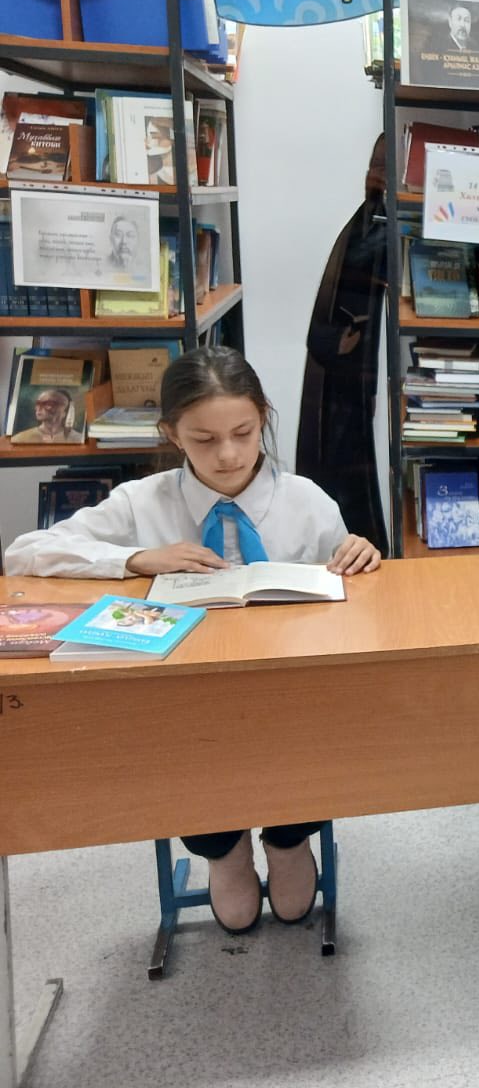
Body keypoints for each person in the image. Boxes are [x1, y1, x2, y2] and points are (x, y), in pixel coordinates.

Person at [4, 346, 381, 936]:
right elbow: (23, 552)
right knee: (178, 738)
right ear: (171, 434)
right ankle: (222, 849)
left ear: (263, 418)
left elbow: (347, 594)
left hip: (286, 691)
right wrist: (134, 558)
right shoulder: (142, 501)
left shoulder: (307, 501)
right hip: (181, 694)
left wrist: (359, 553)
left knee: (312, 727)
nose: (228, 455)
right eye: (204, 440)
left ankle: (288, 840)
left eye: (243, 433)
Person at [10, 387, 83, 445]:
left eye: (48, 404)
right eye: (38, 403)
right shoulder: (20, 439)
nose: (38, 408)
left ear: (65, 411)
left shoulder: (77, 438)